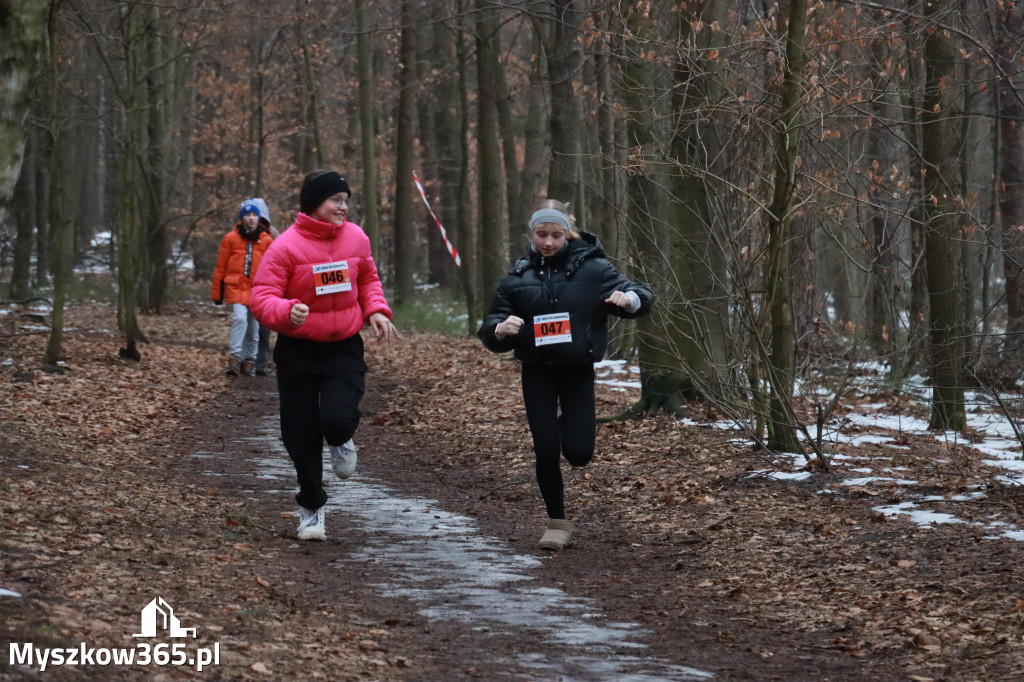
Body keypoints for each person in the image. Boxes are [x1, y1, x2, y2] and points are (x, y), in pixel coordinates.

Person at [477, 199, 655, 551]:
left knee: (578, 452)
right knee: (544, 448)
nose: (548, 242)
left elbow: (642, 295)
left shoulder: (595, 269)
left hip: (577, 371)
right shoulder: (517, 277)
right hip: (537, 371)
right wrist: (499, 329)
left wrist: (629, 299)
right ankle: (556, 522)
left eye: (556, 235)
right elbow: (491, 323)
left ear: (567, 233)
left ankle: (564, 428)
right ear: (531, 234)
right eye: (541, 234)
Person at [250, 170, 398, 541]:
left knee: (336, 416)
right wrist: (287, 313)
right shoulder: (285, 246)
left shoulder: (356, 237)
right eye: (336, 200)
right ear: (315, 204)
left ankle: (341, 438)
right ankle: (312, 510)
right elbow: (262, 296)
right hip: (298, 348)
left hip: (343, 344)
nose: (343, 207)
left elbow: (368, 279)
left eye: (346, 201)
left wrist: (376, 310)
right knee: (300, 433)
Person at [211, 198, 274, 376]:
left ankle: (249, 361)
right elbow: (221, 266)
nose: (251, 218)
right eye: (247, 215)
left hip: (257, 289)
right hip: (236, 286)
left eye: (254, 215)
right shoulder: (230, 238)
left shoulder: (267, 240)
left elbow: (273, 268)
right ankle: (234, 358)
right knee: (240, 319)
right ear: (242, 218)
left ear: (259, 218)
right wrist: (217, 292)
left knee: (254, 327)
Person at [250, 198, 279, 376]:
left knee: (263, 328)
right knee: (247, 326)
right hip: (244, 286)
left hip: (266, 286)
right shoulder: (241, 232)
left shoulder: (272, 234)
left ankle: (260, 363)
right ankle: (248, 361)